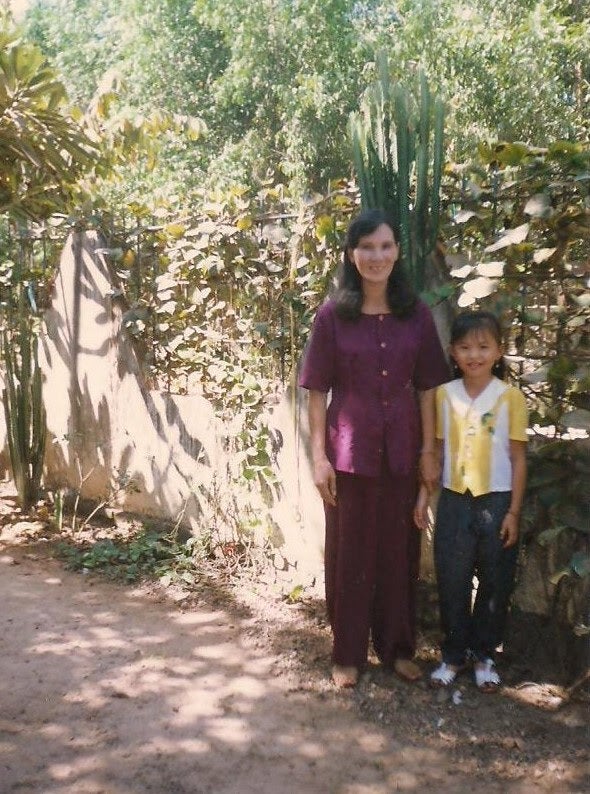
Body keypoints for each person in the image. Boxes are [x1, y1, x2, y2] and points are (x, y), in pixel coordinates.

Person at [298, 208, 450, 688]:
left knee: (399, 550)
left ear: (397, 252)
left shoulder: (417, 314)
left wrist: (429, 452)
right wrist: (319, 458)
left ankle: (398, 648)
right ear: (351, 254)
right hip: (348, 453)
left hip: (403, 449)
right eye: (366, 247)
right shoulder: (331, 316)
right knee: (349, 553)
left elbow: (428, 388)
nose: (376, 256)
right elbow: (316, 391)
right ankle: (347, 654)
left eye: (385, 246)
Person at [414, 310, 528, 692]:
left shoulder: (510, 398)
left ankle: (484, 655)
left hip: (496, 502)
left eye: (483, 346)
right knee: (453, 581)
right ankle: (453, 654)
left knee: (495, 582)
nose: (474, 354)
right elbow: (438, 452)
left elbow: (517, 458)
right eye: (465, 347)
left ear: (498, 351)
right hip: (454, 502)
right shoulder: (446, 396)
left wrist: (513, 511)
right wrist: (423, 496)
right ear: (453, 352)